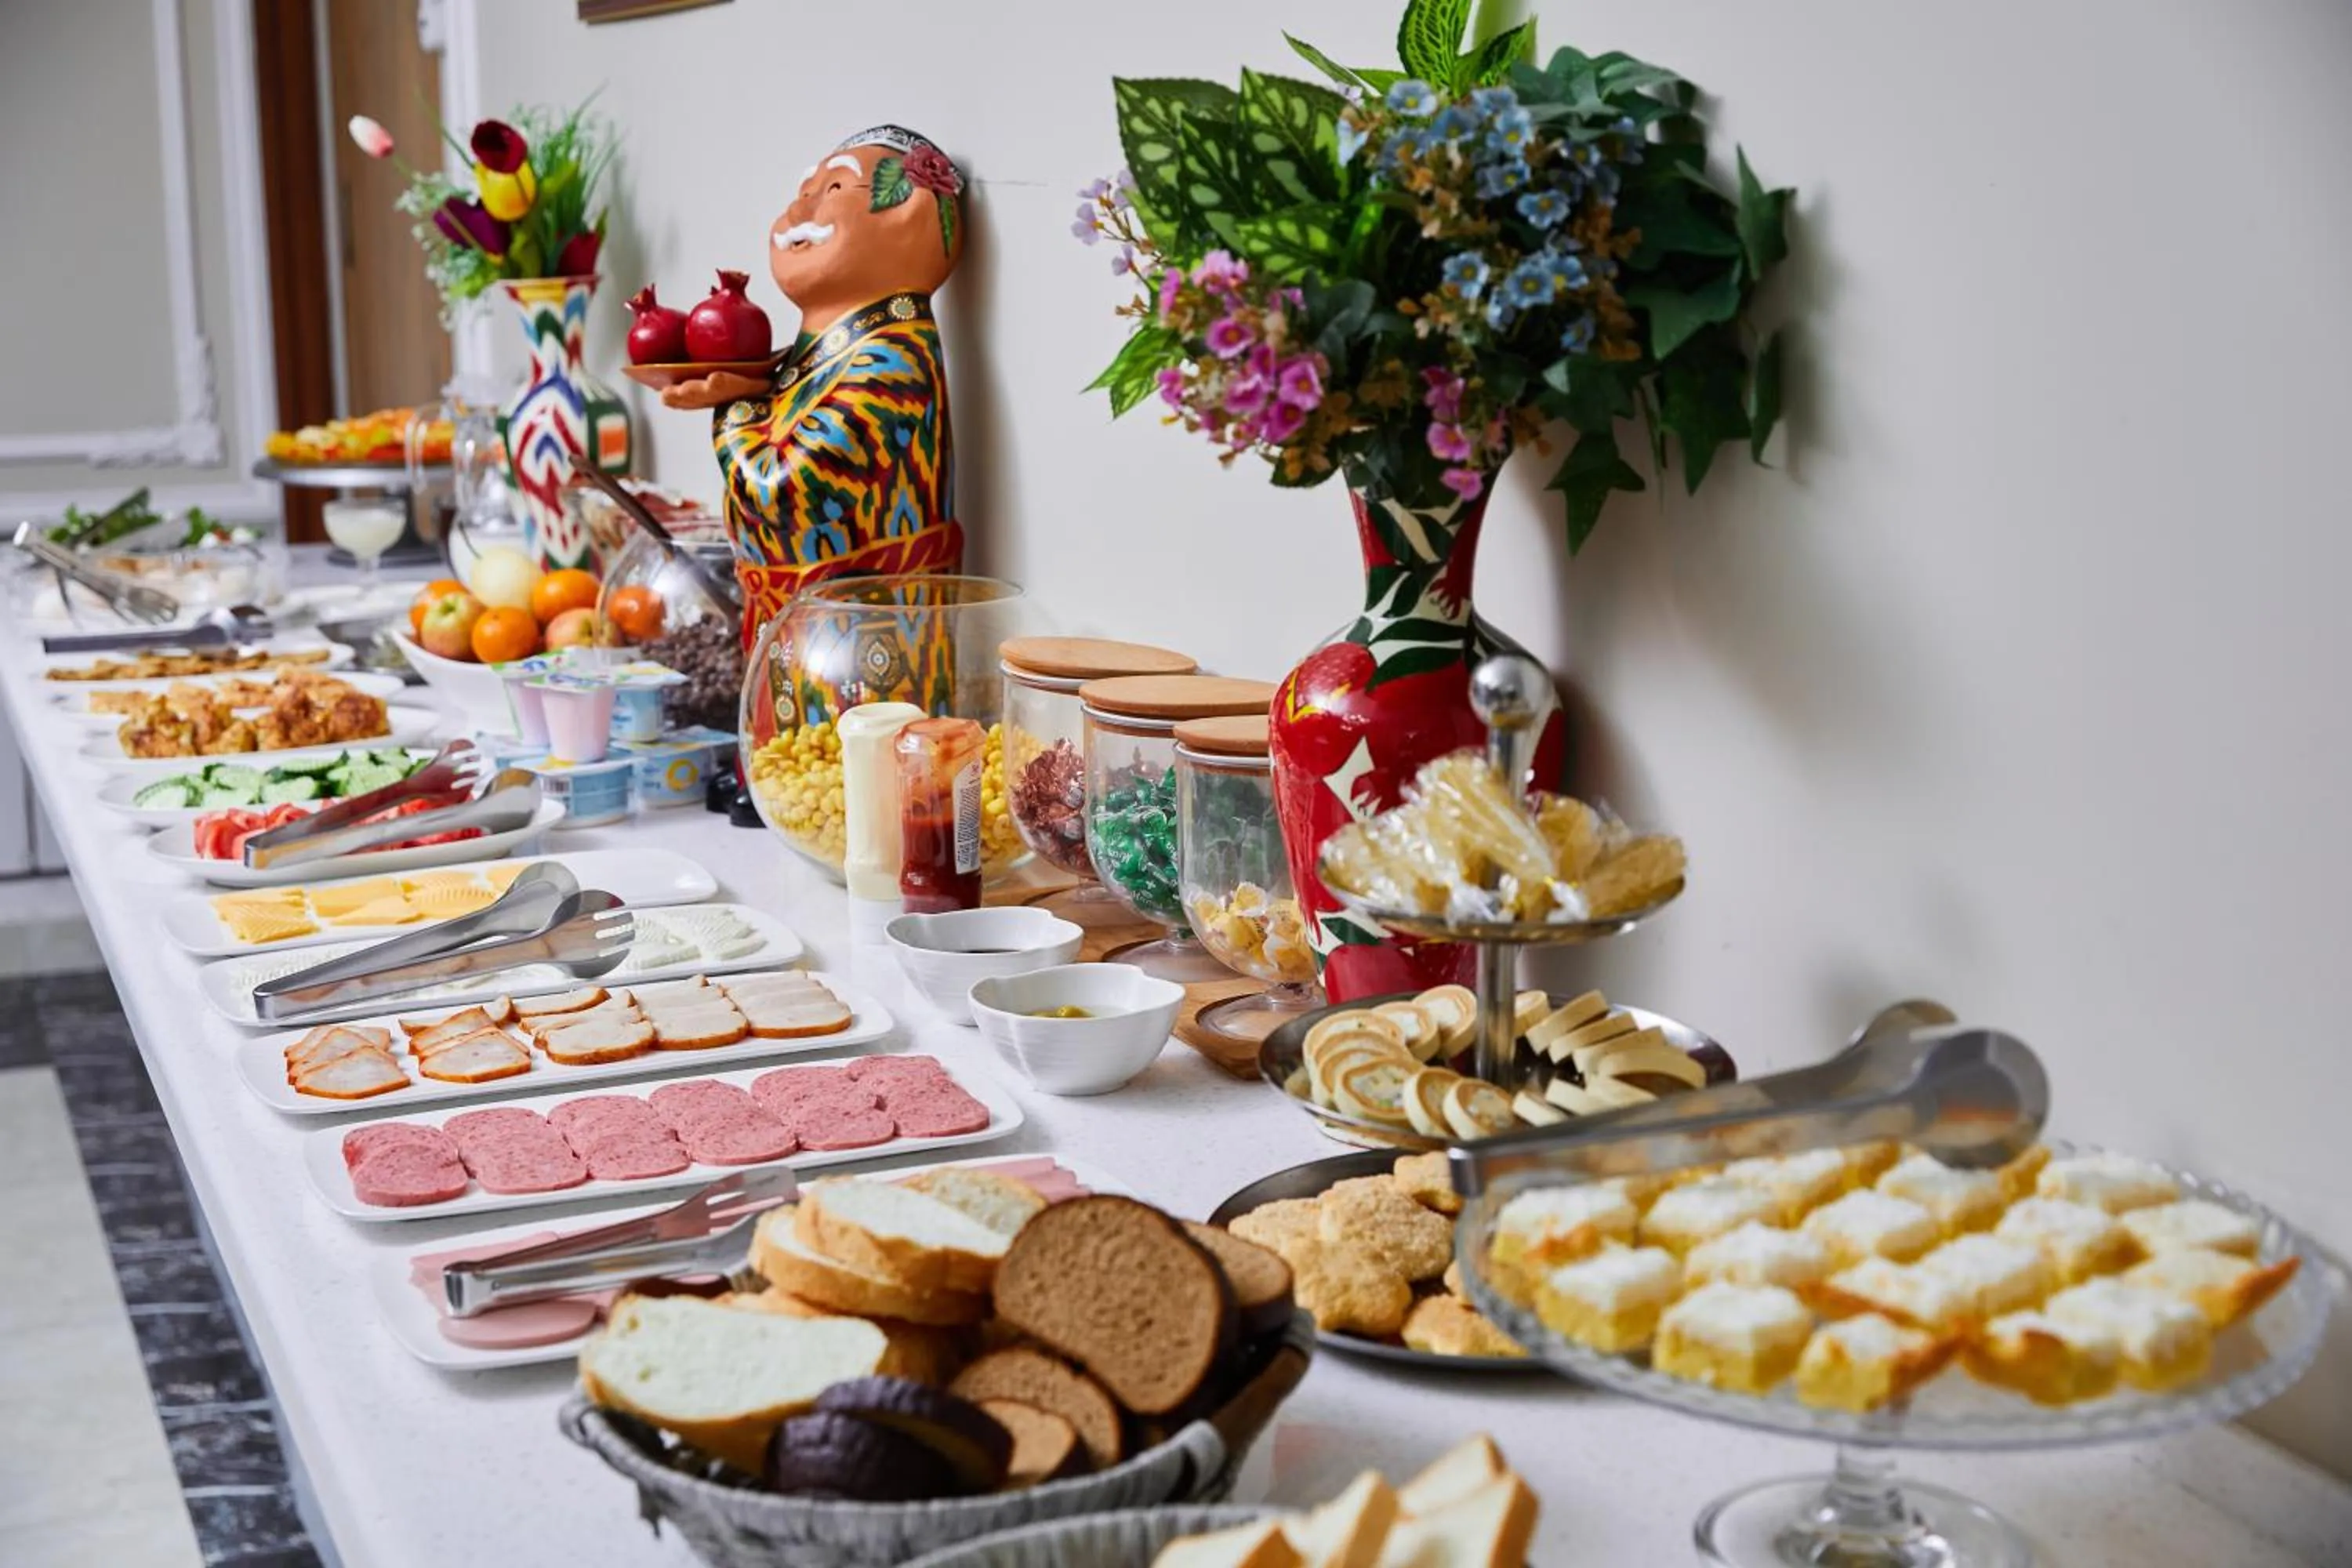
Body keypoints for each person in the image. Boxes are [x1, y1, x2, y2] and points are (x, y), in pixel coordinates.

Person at [660, 124, 967, 641]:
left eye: (833, 191)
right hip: (802, 638)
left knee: (858, 730)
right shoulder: (827, 355)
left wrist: (734, 407)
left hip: (866, 650)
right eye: (802, 194)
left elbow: (780, 490)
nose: (799, 214)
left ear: (909, 216)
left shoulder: (895, 357)